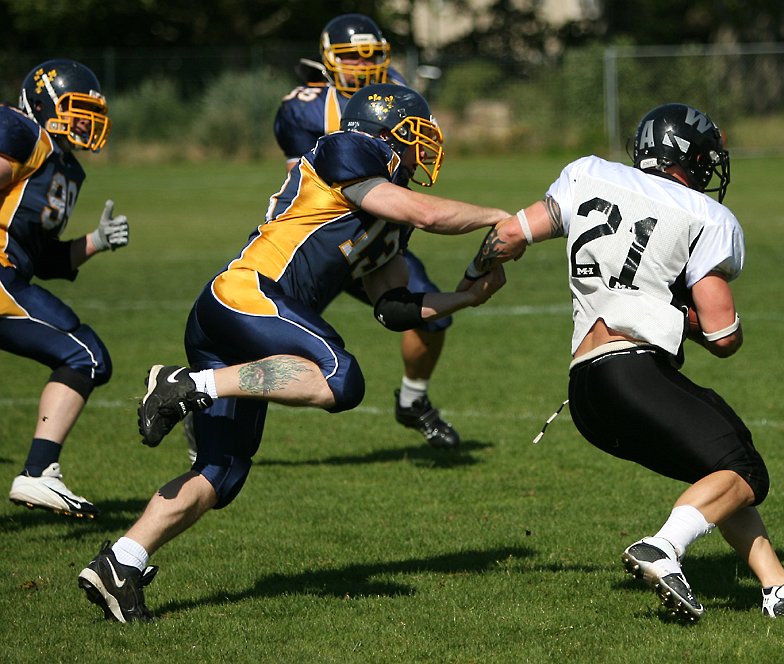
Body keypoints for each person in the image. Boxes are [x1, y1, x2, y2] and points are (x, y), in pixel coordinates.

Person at [77, 83, 508, 622]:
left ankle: (122, 562)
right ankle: (187, 385)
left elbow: (393, 307)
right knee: (341, 379)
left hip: (243, 323)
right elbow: (425, 213)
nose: (424, 149)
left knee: (220, 473)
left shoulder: (389, 215)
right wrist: (502, 218)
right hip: (248, 295)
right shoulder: (348, 149)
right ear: (388, 131)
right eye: (417, 134)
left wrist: (466, 298)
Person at [460, 103, 784, 621]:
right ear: (691, 158)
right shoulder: (706, 216)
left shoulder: (588, 174)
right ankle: (664, 548)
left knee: (719, 470)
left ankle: (781, 589)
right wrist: (679, 313)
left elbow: (507, 235)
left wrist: (472, 278)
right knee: (745, 469)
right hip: (633, 371)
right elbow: (723, 335)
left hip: (585, 392)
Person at [273, 13, 461, 449]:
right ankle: (210, 398)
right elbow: (304, 183)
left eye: (371, 54)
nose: (363, 64)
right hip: (319, 241)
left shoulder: (395, 88)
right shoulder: (304, 106)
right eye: (352, 56)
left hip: (377, 236)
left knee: (431, 315)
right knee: (276, 341)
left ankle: (413, 400)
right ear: (328, 58)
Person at [2, 59, 129, 519]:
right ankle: (38, 473)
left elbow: (44, 259)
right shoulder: (23, 132)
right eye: (77, 109)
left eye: (91, 113)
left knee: (86, 356)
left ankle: (39, 472)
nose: (86, 121)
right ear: (42, 104)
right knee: (85, 354)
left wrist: (96, 241)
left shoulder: (61, 166)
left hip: (12, 274)